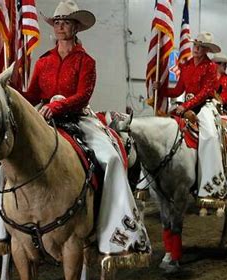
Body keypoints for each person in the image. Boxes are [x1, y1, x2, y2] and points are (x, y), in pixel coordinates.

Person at [14, 0, 150, 263]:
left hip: (77, 118)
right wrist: (13, 94)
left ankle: (112, 222)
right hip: (44, 117)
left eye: (65, 22)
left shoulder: (86, 61)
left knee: (110, 158)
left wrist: (58, 105)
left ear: (76, 27)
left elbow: (82, 95)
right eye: (57, 22)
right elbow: (32, 94)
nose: (60, 26)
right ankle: (0, 223)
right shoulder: (43, 62)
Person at [153, 32, 227, 210]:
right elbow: (178, 88)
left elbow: (206, 92)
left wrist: (186, 105)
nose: (196, 48)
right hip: (186, 105)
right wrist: (161, 89)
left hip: (204, 106)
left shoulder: (210, 67)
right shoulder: (185, 65)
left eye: (201, 46)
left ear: (207, 50)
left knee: (209, 135)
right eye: (195, 45)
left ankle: (212, 182)